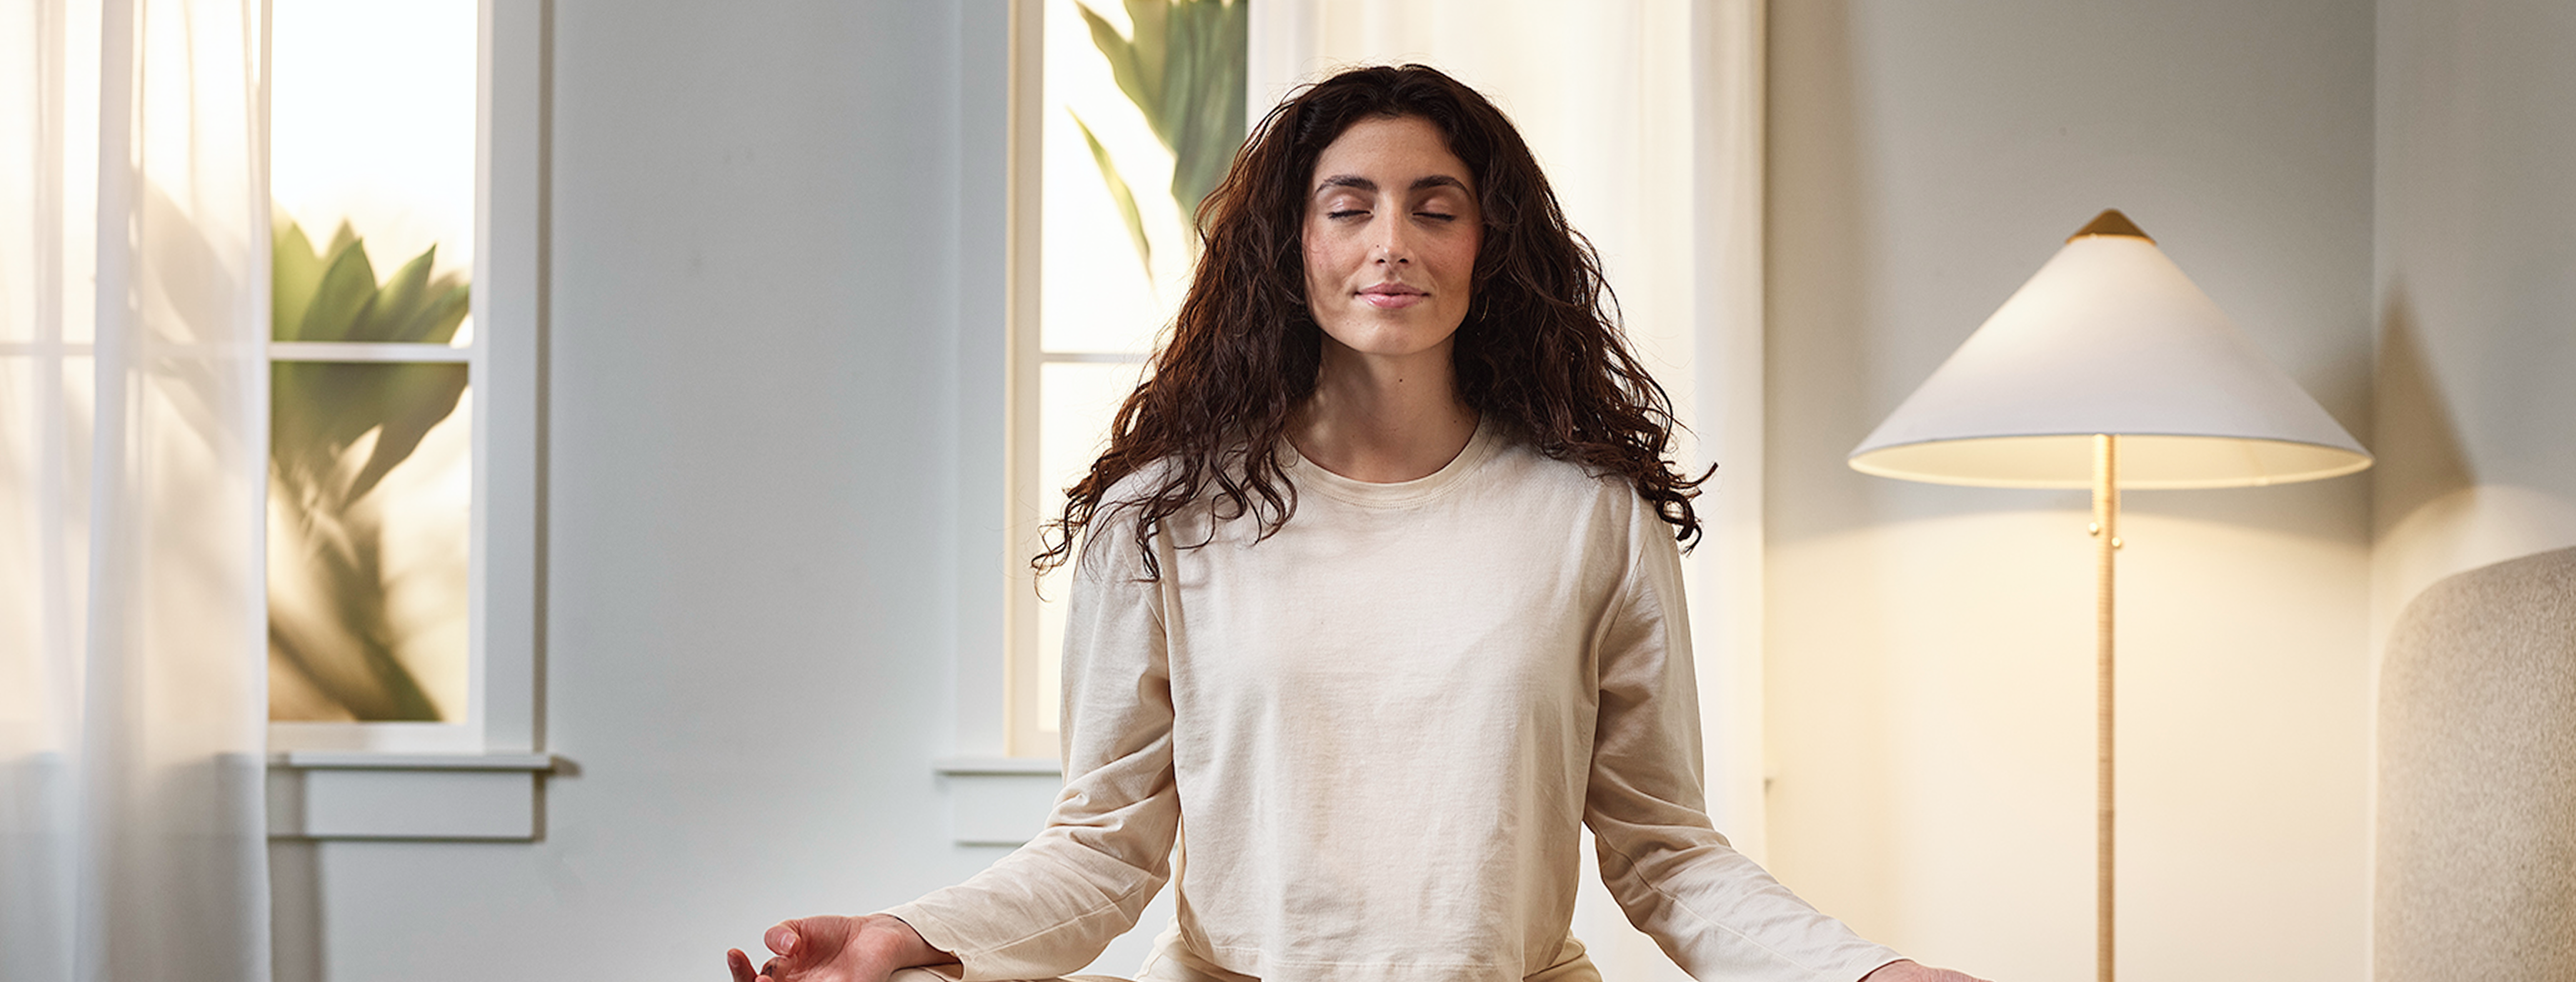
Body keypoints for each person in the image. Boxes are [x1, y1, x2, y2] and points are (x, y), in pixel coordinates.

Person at [727, 64, 1991, 982]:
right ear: (1293, 242)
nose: (1393, 242)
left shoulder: (1590, 519)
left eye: (1437, 205)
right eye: (1350, 205)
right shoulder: (1162, 516)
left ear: (1492, 244)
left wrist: (1867, 974)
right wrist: (915, 935)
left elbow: (1665, 852)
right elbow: (1105, 848)